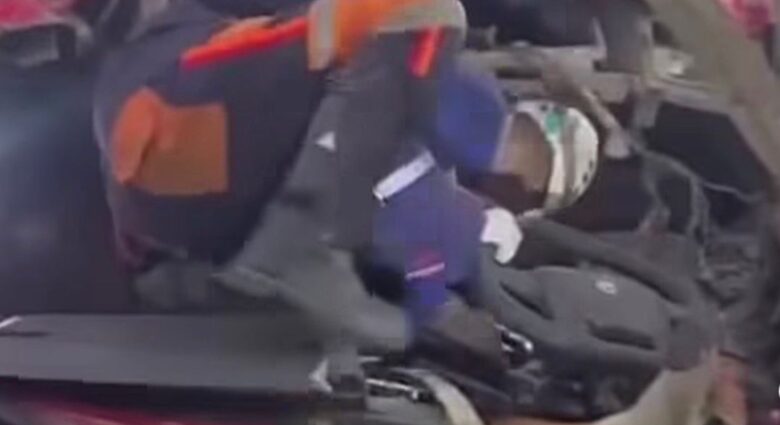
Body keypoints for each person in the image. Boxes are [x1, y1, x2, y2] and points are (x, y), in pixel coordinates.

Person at [92, 0, 600, 359]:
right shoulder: (441, 118)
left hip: (169, 195)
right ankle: (284, 254)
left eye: (525, 183)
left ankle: (247, 265)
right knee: (426, 13)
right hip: (170, 98)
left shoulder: (396, 183)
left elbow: (408, 235)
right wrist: (465, 236)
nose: (507, 167)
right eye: (525, 146)